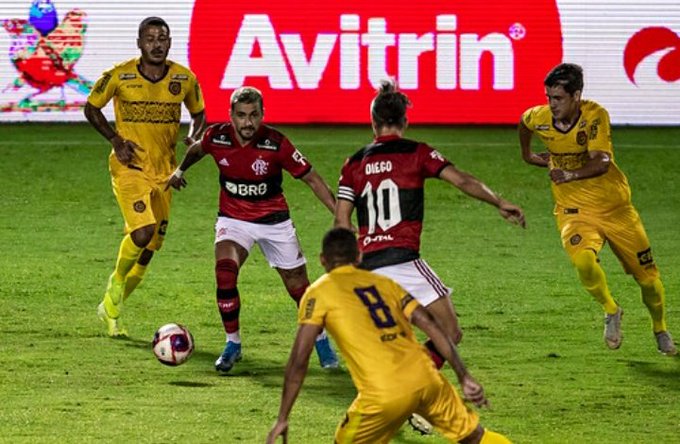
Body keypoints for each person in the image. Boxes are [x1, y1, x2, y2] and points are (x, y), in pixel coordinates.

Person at [334, 80, 526, 369]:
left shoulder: (354, 163)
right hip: (403, 262)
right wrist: (499, 202)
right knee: (450, 332)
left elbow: (340, 221)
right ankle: (410, 388)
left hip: (367, 267)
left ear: (373, 123)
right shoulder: (417, 152)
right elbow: (462, 180)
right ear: (405, 122)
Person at [266, 228, 511, 444]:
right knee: (475, 437)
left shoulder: (318, 292)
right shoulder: (384, 283)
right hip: (426, 377)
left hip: (383, 392)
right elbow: (432, 326)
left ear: (322, 260)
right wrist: (464, 375)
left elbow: (299, 359)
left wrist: (283, 418)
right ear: (359, 256)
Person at [165, 86, 339, 372]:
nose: (248, 122)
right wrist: (179, 171)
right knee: (224, 273)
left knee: (298, 288)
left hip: (275, 223)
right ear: (231, 116)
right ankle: (232, 344)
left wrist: (340, 216)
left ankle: (320, 339)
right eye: (242, 116)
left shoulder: (277, 144)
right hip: (234, 220)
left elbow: (313, 180)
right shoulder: (216, 136)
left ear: (263, 115)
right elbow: (197, 149)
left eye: (254, 115)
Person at [519, 62, 676, 355]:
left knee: (649, 279)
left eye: (559, 98)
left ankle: (660, 328)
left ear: (576, 96)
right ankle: (611, 310)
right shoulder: (540, 117)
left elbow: (601, 161)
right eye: (549, 97)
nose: (551, 104)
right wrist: (528, 155)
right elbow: (524, 122)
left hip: (616, 209)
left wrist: (569, 174)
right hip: (573, 210)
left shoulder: (595, 116)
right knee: (583, 263)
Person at [85, 16, 206, 337]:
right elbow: (91, 107)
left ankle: (111, 307)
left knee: (150, 249)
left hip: (164, 172)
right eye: (150, 38)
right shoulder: (119, 75)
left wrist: (195, 136)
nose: (156, 44)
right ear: (140, 43)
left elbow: (199, 114)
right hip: (130, 167)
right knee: (142, 233)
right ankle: (116, 284)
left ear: (169, 42)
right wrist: (114, 139)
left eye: (162, 38)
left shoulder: (185, 78)